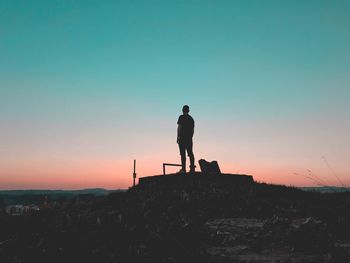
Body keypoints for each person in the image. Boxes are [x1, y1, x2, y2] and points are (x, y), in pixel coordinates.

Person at [177, 105, 195, 173]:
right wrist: (190, 137)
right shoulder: (191, 119)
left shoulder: (181, 117)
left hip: (182, 138)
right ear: (188, 110)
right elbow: (193, 130)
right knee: (190, 153)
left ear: (182, 110)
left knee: (183, 154)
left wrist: (178, 137)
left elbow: (179, 127)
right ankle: (192, 169)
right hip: (189, 139)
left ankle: (183, 169)